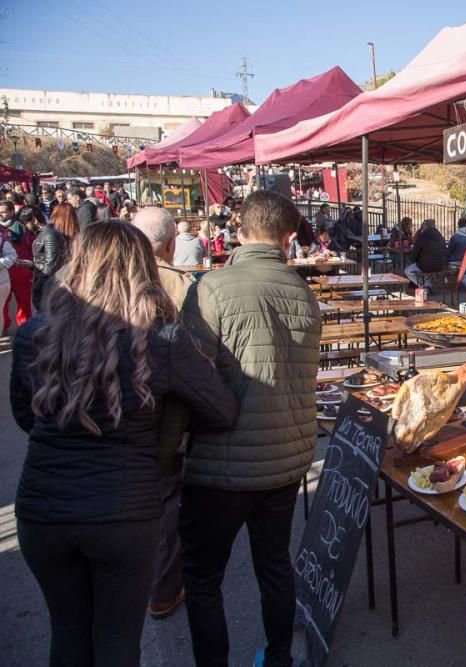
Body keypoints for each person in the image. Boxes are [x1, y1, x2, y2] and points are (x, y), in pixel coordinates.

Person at [9, 221, 238, 667]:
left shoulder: (32, 334)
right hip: (123, 510)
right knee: (117, 640)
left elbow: (26, 417)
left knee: (68, 634)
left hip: (43, 510)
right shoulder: (161, 342)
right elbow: (221, 410)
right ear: (143, 271)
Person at [180, 190, 321, 667]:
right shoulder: (304, 293)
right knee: (275, 567)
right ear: (288, 237)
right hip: (284, 460)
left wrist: (166, 456)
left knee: (202, 580)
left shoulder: (211, 288)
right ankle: (279, 658)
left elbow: (187, 378)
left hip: (219, 465)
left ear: (239, 231)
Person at [132, 207, 196, 620]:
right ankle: (162, 590)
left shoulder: (95, 282)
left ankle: (145, 585)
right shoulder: (179, 284)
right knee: (167, 495)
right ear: (171, 243)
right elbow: (196, 350)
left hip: (111, 413)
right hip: (163, 412)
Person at [0, 199, 35, 332]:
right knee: (3, 304)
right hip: (5, 271)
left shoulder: (20, 226)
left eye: (4, 212)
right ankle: (4, 326)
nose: (1, 215)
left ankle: (25, 328)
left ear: (12, 212)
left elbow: (30, 245)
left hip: (21, 270)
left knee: (23, 302)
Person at [30, 206, 69, 309]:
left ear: (34, 220)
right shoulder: (45, 234)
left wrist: (39, 284)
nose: (25, 227)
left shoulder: (49, 235)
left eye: (26, 223)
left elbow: (51, 262)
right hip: (45, 278)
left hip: (47, 282)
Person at [405, 218, 448, 287]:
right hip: (441, 265)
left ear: (425, 226)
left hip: (426, 266)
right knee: (425, 267)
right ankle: (428, 284)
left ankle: (425, 285)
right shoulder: (440, 237)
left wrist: (415, 260)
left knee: (408, 271)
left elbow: (414, 254)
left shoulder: (422, 236)